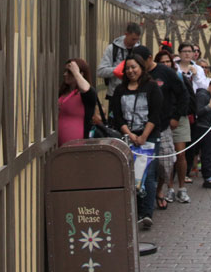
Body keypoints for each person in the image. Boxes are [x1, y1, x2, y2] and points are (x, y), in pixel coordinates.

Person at [109, 54, 162, 230]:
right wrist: (130, 135)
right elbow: (117, 116)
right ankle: (134, 211)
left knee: (148, 174)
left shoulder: (152, 87)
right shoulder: (120, 90)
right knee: (131, 174)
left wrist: (144, 136)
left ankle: (147, 213)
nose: (131, 71)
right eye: (128, 68)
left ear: (141, 67)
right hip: (128, 136)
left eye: (134, 67)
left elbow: (156, 113)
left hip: (149, 136)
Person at [140, 47, 188, 209]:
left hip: (163, 124)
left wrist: (176, 116)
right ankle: (147, 196)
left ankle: (160, 189)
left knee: (165, 163)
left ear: (149, 58)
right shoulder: (137, 74)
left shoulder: (165, 72)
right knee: (145, 164)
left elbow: (183, 94)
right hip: (142, 126)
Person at [58, 58, 101, 146]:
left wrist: (76, 72)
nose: (65, 74)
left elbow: (86, 89)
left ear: (81, 74)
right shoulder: (63, 92)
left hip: (78, 144)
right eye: (65, 71)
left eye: (69, 72)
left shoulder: (86, 94)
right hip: (59, 145)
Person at [97, 22, 142, 101]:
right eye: (133, 39)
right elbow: (100, 71)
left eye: (137, 39)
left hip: (136, 94)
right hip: (115, 95)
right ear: (126, 34)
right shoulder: (112, 49)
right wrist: (118, 70)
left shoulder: (140, 50)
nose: (135, 42)